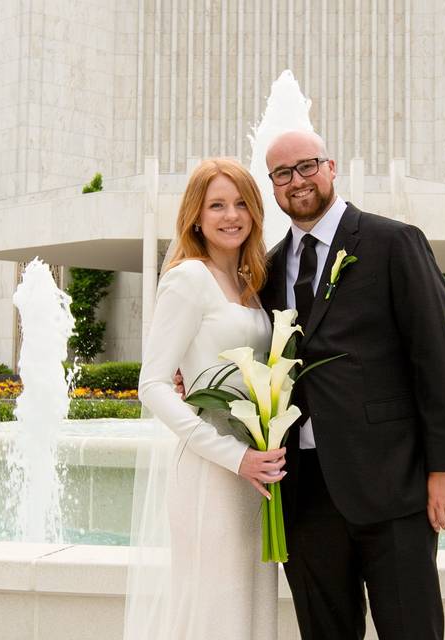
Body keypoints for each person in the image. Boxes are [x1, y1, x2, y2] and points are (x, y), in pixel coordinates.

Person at [261, 130, 445, 639]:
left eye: (307, 166)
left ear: (331, 167)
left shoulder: (393, 242)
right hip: (303, 490)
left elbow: (437, 358)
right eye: (283, 174)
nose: (298, 181)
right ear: (273, 186)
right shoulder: (267, 269)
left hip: (392, 483)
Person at [127, 158, 286, 639]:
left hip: (257, 467)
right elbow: (152, 384)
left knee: (252, 601)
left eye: (241, 203)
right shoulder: (187, 278)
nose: (230, 215)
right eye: (216, 204)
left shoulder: (251, 284)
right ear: (196, 215)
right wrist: (234, 457)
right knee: (216, 605)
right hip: (212, 469)